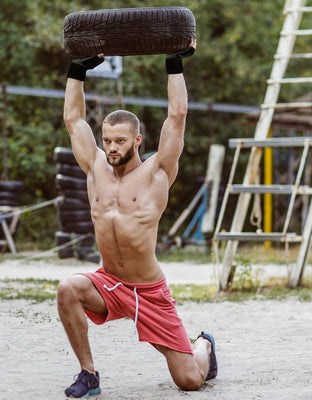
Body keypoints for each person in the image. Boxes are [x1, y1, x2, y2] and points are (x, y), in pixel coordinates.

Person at [58, 39, 217, 398]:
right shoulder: (94, 167)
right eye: (108, 140)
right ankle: (89, 375)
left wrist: (174, 62)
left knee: (189, 381)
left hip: (149, 291)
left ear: (137, 140)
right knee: (68, 288)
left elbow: (177, 117)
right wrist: (78, 70)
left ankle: (203, 345)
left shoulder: (157, 173)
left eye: (119, 141)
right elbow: (73, 119)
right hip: (109, 283)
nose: (112, 148)